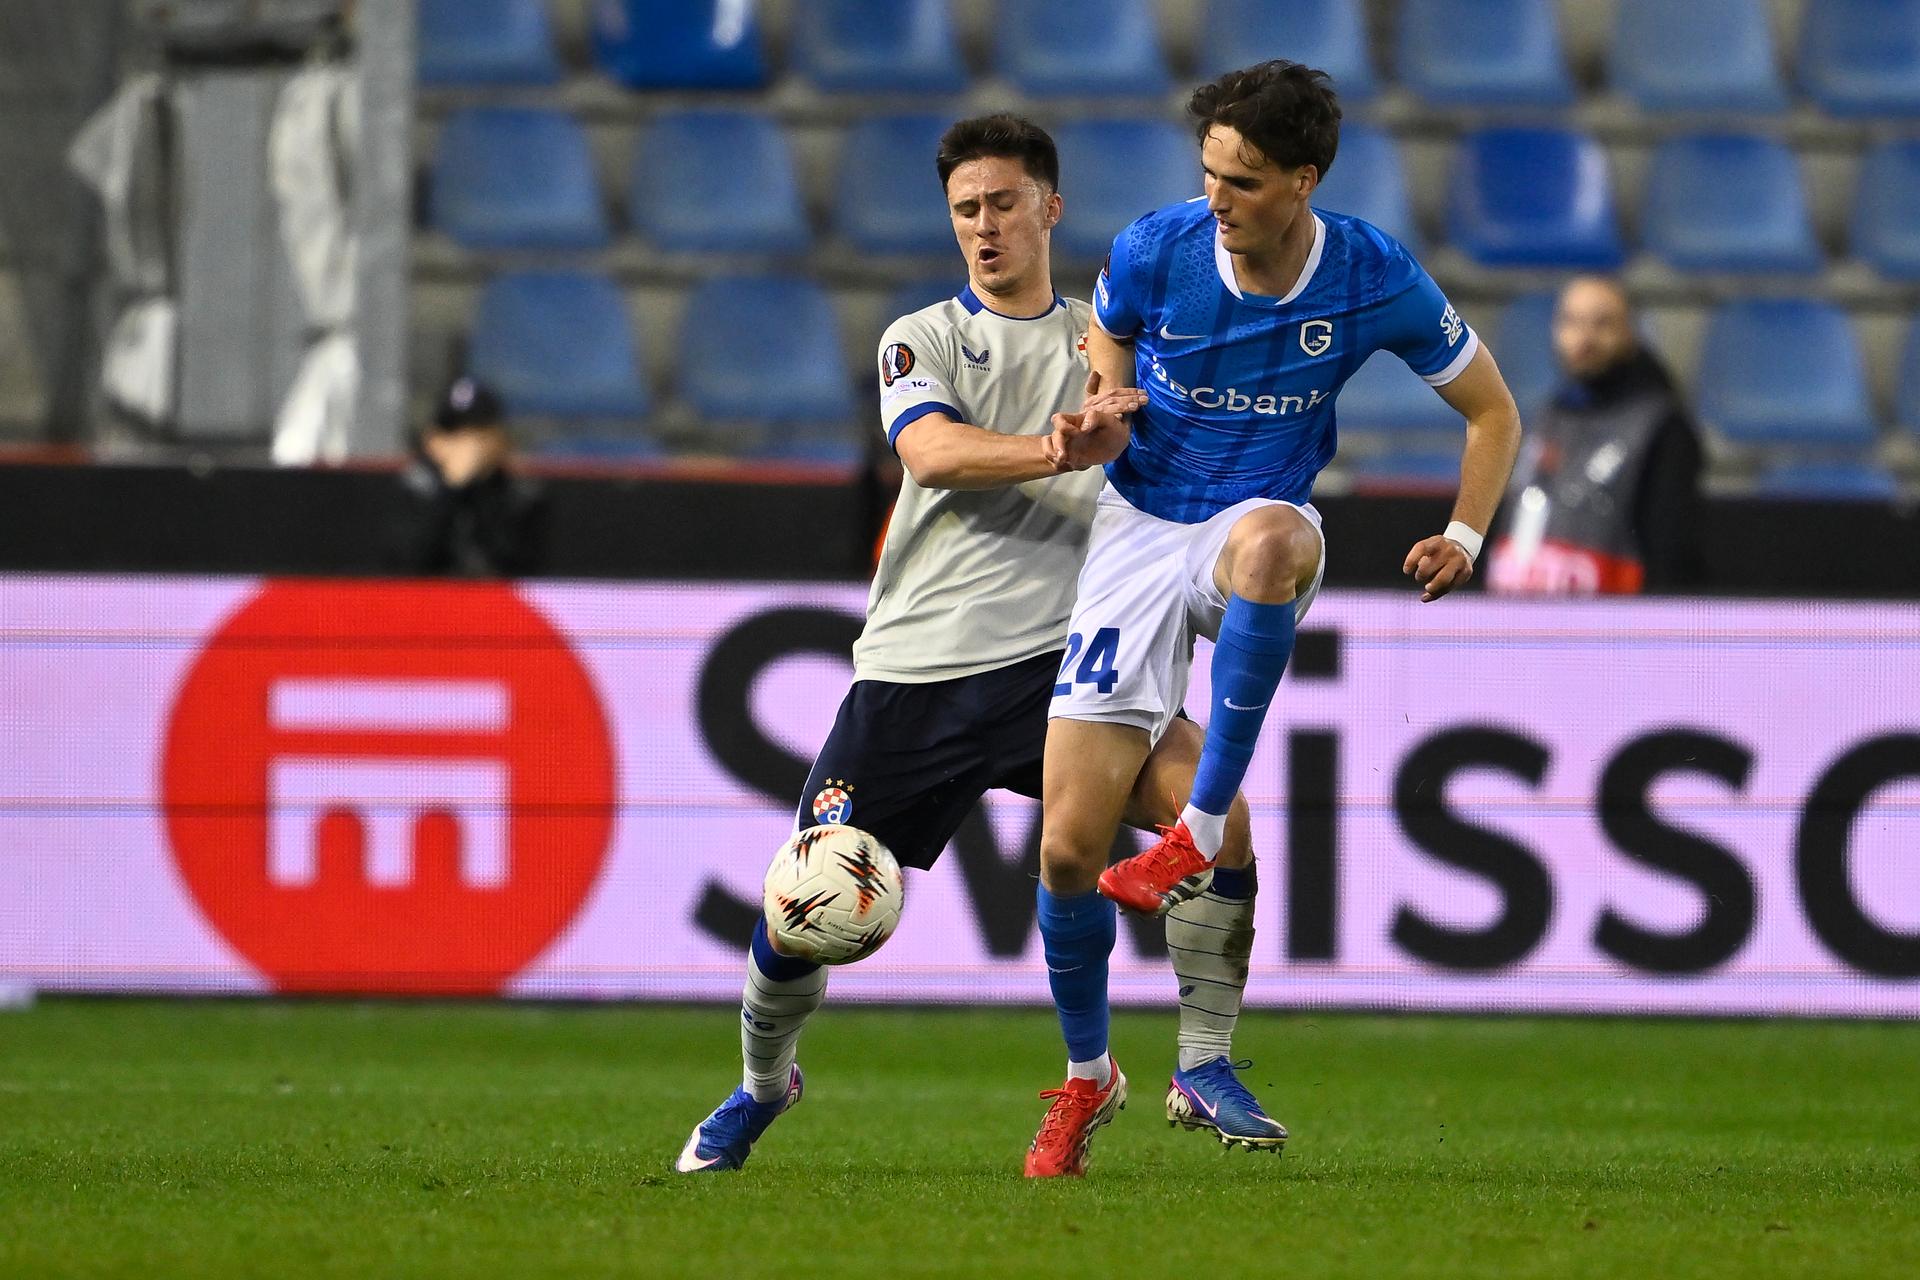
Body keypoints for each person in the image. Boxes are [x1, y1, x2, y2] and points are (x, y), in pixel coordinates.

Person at [673, 114, 1261, 1178]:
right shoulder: (924, 336)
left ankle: (1190, 1063)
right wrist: (1057, 448)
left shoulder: (1112, 344)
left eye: (1002, 204)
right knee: (804, 908)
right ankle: (763, 1083)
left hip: (1066, 668)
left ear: (1051, 208)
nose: (983, 227)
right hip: (918, 674)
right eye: (965, 210)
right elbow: (932, 453)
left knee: (1218, 823)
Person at [1026, 61, 1524, 1173]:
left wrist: (1466, 532)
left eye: (1244, 181)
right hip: (1136, 527)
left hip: (1254, 516)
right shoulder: (1155, 247)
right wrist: (1105, 404)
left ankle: (1201, 921)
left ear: (1305, 181)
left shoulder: (1370, 274)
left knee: (1272, 545)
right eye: (1210, 172)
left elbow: (1493, 411)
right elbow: (1109, 334)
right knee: (1066, 848)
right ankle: (1089, 1075)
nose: (1218, 198)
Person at [1486, 275, 1703, 594]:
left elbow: (1668, 554)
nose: (1584, 338)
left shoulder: (1662, 428)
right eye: (1571, 321)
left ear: (1630, 332)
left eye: (1602, 323)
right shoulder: (1548, 416)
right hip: (1516, 616)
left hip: (1611, 621)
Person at [393, 375, 547, 577]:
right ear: (433, 440)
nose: (466, 445)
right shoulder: (417, 488)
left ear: (499, 438)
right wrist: (450, 489)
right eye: (454, 433)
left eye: (477, 433)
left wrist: (480, 486)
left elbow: (517, 565)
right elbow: (406, 565)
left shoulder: (521, 494)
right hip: (430, 597)